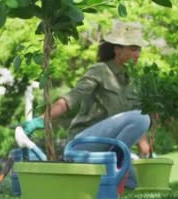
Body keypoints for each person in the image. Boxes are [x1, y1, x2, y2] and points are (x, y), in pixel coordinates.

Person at [47, 21, 152, 188]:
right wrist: (42, 119)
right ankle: (112, 166)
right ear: (117, 49)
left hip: (105, 147)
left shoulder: (130, 81)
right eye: (133, 48)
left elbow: (133, 120)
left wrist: (145, 150)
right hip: (82, 145)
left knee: (132, 183)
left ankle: (108, 170)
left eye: (139, 49)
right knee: (143, 117)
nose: (137, 53)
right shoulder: (100, 70)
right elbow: (73, 97)